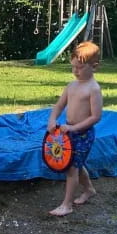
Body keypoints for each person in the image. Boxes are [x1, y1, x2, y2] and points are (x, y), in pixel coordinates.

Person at [47, 41, 103, 217]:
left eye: (79, 68)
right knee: (76, 164)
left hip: (83, 133)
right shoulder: (71, 86)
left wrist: (74, 128)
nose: (75, 71)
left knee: (72, 168)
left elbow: (95, 117)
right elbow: (58, 106)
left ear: (94, 67)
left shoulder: (93, 89)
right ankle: (89, 189)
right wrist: (52, 119)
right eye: (73, 67)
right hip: (68, 132)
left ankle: (67, 205)